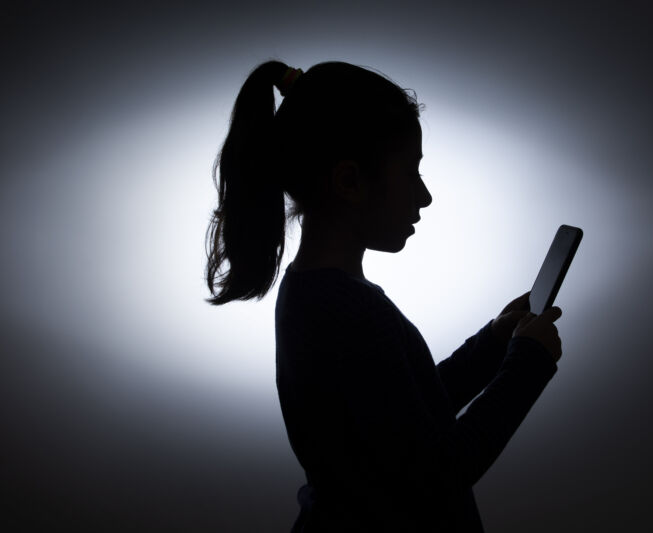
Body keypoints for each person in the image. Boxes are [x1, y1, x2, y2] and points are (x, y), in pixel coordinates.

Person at [205, 60, 563, 532]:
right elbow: (439, 473)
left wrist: (494, 344)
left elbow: (402, 415)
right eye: (411, 172)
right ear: (349, 181)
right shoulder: (348, 312)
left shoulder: (312, 295)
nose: (426, 195)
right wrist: (528, 366)